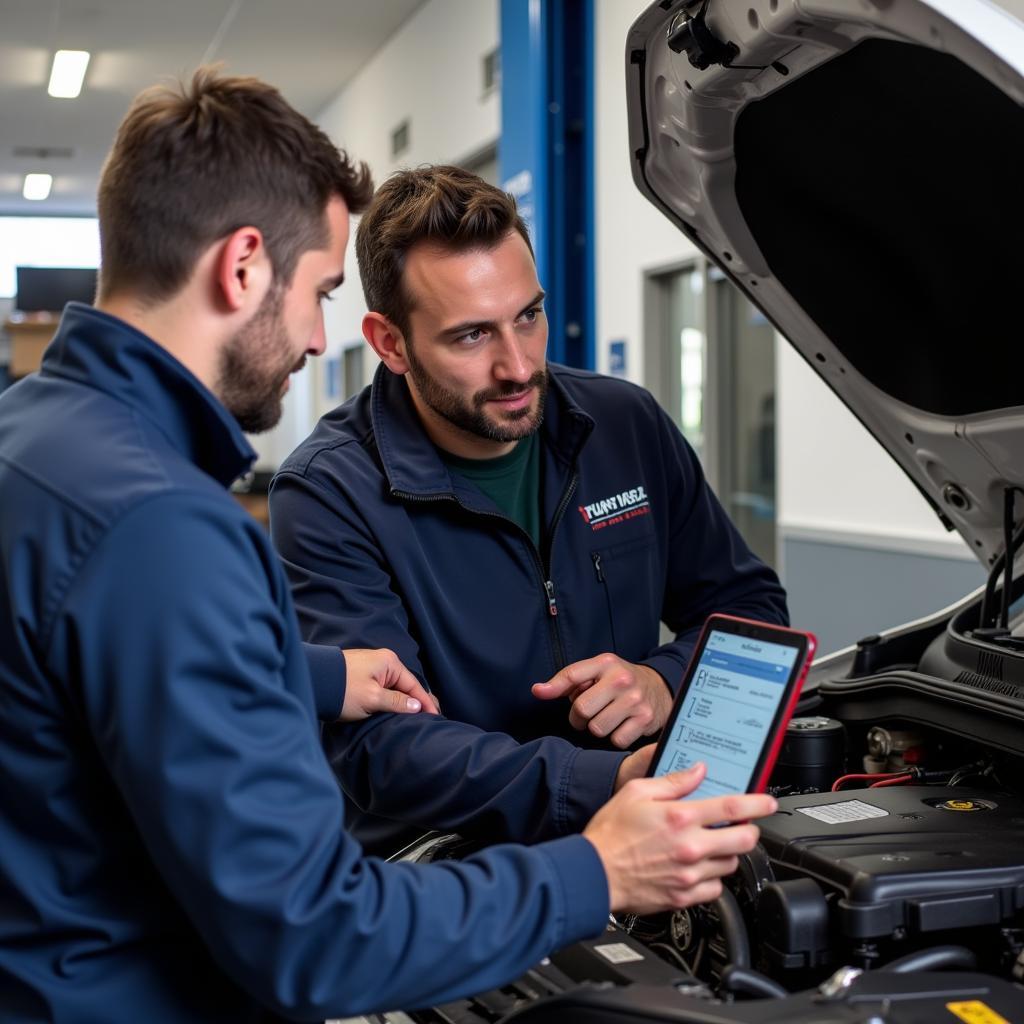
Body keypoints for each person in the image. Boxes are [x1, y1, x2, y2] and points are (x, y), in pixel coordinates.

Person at [0, 71, 777, 1023]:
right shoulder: (170, 520)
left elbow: (112, 673)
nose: (314, 338)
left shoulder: (33, 442)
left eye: (529, 316)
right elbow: (314, 935)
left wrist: (318, 676)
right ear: (244, 267)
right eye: (317, 291)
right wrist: (600, 865)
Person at [269, 165, 789, 852]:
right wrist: (605, 781)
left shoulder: (622, 423)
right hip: (445, 869)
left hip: (644, 832)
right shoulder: (329, 491)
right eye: (472, 336)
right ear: (390, 342)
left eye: (529, 316)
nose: (519, 367)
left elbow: (751, 609)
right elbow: (386, 749)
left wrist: (663, 681)